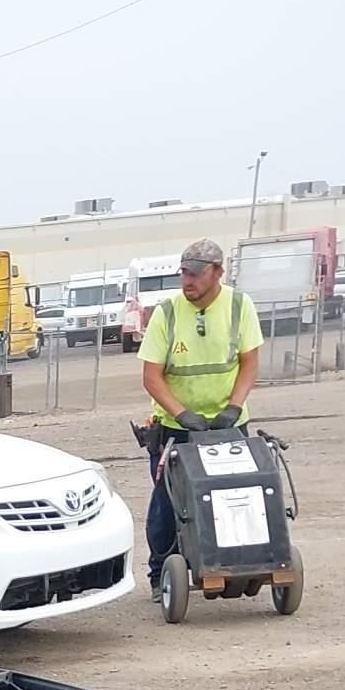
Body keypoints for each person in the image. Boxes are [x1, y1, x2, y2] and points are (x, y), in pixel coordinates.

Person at [138, 237, 263, 576]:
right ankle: (161, 570)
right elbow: (152, 376)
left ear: (218, 272)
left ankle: (242, 561)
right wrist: (181, 413)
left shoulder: (239, 306)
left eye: (195, 274)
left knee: (239, 496)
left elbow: (249, 362)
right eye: (183, 274)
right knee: (170, 501)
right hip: (175, 429)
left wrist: (235, 407)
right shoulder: (167, 312)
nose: (187, 281)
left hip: (228, 424)